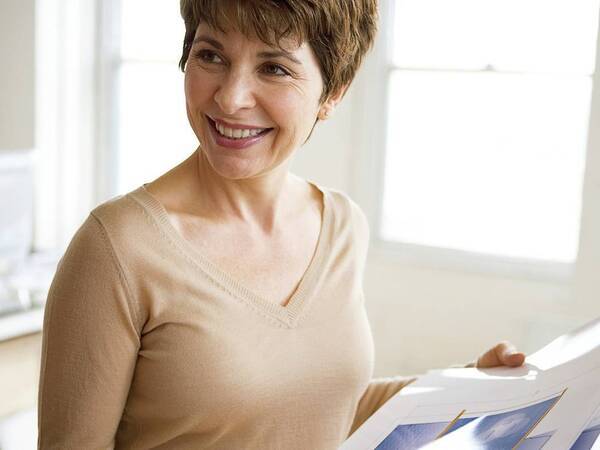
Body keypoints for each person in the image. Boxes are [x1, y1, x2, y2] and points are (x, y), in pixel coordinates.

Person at [37, 1, 526, 448]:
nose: (231, 99)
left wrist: (465, 388)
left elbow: (326, 409)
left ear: (332, 91)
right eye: (211, 56)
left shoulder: (340, 226)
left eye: (273, 68)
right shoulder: (118, 247)